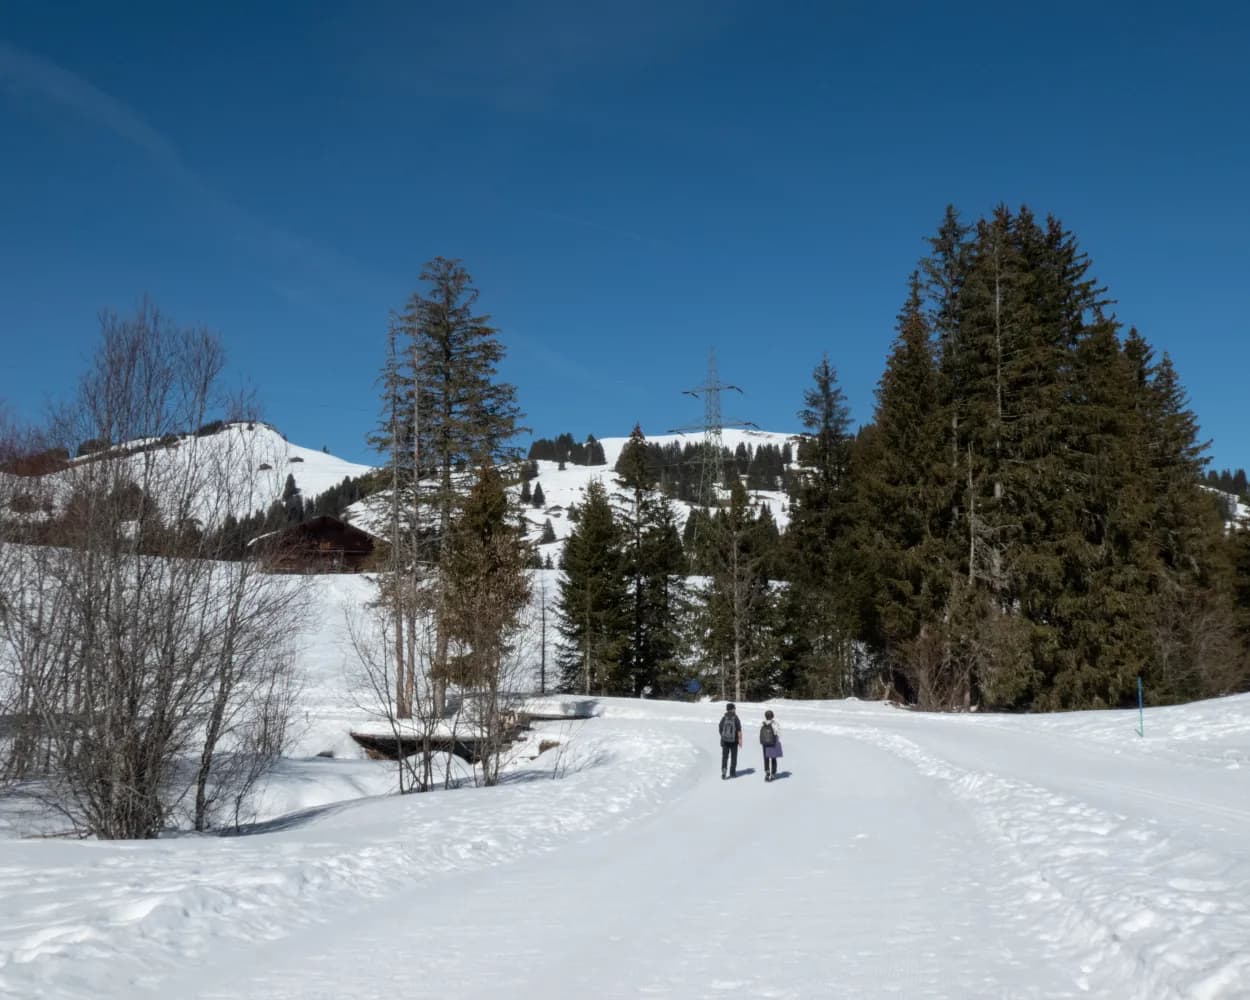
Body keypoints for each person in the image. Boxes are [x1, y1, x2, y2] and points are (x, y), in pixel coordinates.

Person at [718, 703, 742, 779]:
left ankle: (724, 772)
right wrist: (740, 740)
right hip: (734, 741)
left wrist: (723, 736)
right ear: (732, 709)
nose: (735, 709)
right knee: (733, 757)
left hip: (724, 741)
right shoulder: (736, 718)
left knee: (725, 757)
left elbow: (720, 728)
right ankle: (732, 773)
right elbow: (739, 730)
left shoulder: (724, 718)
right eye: (734, 708)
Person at [760, 709, 783, 781]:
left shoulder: (762, 723)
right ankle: (773, 773)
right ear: (772, 716)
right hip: (773, 742)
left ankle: (767, 772)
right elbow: (778, 732)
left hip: (765, 744)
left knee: (766, 758)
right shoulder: (775, 723)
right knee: (773, 758)